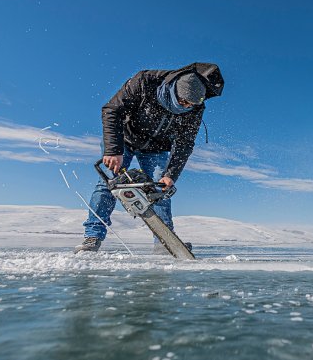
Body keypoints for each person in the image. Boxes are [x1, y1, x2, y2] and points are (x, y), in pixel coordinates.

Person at [74, 62, 224, 253]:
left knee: (160, 189)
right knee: (108, 184)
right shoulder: (145, 81)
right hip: (124, 139)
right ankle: (92, 237)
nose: (185, 107)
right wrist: (112, 150)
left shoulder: (195, 109)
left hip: (156, 147)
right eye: (183, 102)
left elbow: (185, 143)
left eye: (190, 105)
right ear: (174, 89)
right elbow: (112, 110)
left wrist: (171, 174)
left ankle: (164, 242)